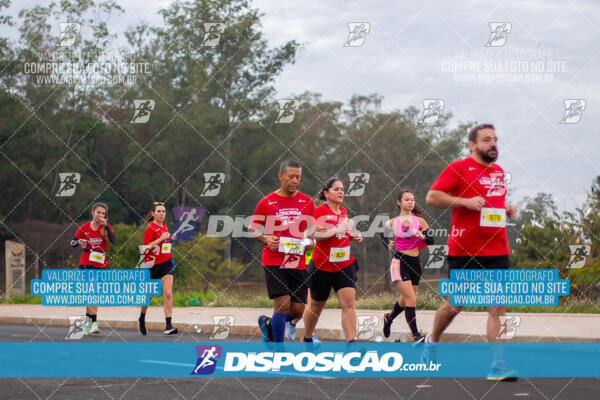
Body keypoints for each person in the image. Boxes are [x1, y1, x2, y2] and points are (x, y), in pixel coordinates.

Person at [423, 123, 518, 381]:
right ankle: (433, 340)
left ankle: (497, 364)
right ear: (473, 145)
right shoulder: (459, 168)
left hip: (497, 249)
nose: (493, 144)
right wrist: (464, 202)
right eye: (486, 139)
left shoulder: (498, 172)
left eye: (495, 139)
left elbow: (490, 206)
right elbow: (432, 197)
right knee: (455, 305)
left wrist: (506, 209)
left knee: (497, 306)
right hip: (465, 249)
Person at [249, 160, 315, 343]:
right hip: (274, 260)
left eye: (298, 177)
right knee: (283, 305)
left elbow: (313, 230)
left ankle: (271, 325)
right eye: (291, 176)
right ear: (280, 176)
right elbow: (252, 228)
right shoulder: (267, 202)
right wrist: (265, 239)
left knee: (298, 310)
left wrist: (311, 241)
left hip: (297, 260)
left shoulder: (307, 201)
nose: (295, 180)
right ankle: (279, 350)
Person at [302, 177, 362, 343]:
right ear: (326, 193)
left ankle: (351, 344)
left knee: (349, 304)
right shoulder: (320, 211)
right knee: (316, 306)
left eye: (342, 189)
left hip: (344, 265)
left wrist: (352, 236)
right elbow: (315, 235)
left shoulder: (343, 212)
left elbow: (340, 235)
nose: (341, 192)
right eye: (336, 189)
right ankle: (307, 337)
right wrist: (337, 229)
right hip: (322, 266)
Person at [382, 190, 433, 343]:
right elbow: (383, 236)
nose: (410, 202)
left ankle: (389, 318)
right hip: (399, 262)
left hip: (415, 263)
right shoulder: (392, 222)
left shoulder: (421, 221)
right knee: (411, 298)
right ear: (399, 203)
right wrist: (387, 244)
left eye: (412, 200)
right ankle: (416, 335)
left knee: (406, 299)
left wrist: (422, 236)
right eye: (407, 200)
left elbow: (431, 240)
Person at [70, 202, 116, 335]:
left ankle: (88, 322)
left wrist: (107, 227)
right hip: (86, 263)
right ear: (93, 212)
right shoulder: (84, 227)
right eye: (98, 212)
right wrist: (77, 242)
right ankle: (93, 323)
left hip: (101, 264)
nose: (101, 215)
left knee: (94, 294)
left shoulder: (105, 227)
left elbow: (113, 241)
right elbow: (72, 242)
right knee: (92, 292)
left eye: (103, 213)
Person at [137, 201, 178, 335]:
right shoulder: (150, 228)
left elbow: (164, 243)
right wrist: (160, 238)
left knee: (167, 293)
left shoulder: (164, 226)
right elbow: (146, 248)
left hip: (166, 263)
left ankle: (168, 325)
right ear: (153, 213)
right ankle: (142, 318)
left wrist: (170, 238)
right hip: (151, 265)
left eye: (163, 211)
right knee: (148, 296)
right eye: (159, 211)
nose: (161, 213)